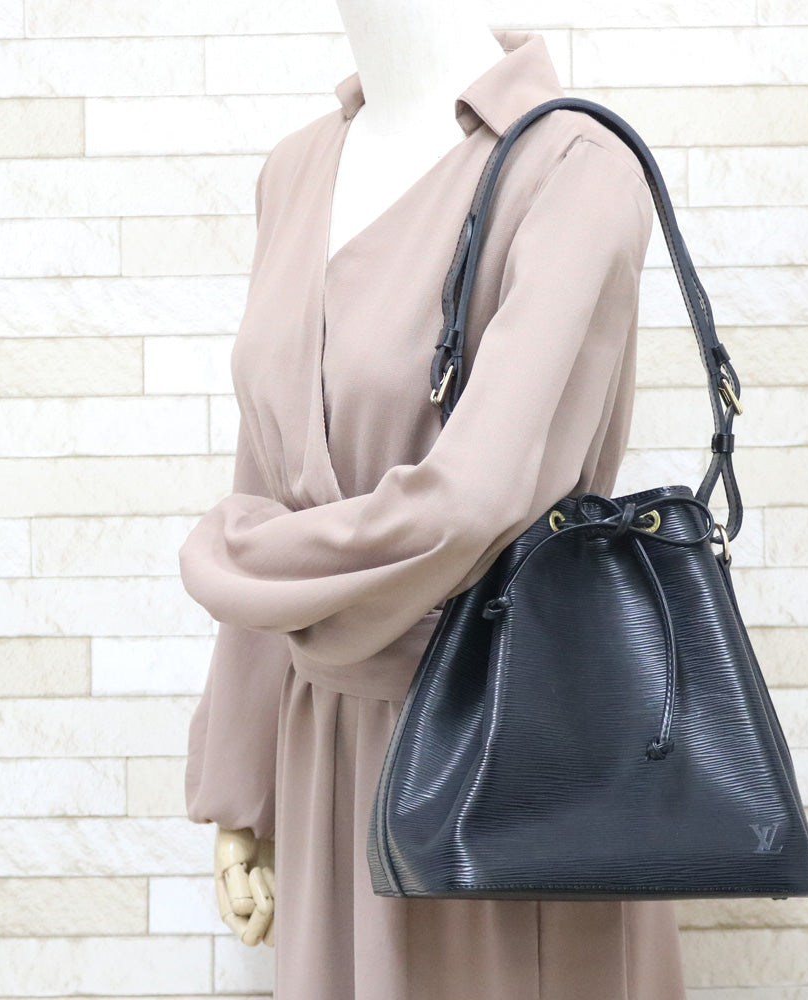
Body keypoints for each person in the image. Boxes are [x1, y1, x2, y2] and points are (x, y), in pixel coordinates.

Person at [178, 2, 689, 997]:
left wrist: (235, 555)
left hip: (503, 745)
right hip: (324, 746)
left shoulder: (573, 167)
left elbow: (472, 501)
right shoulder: (294, 171)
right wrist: (243, 784)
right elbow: (268, 468)